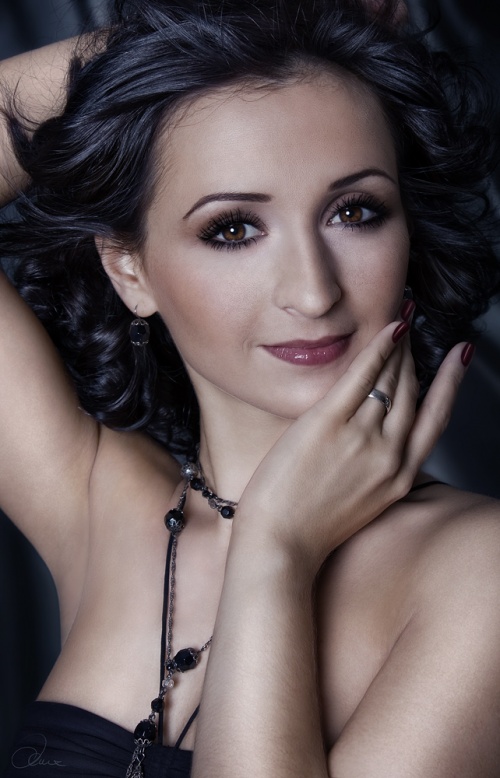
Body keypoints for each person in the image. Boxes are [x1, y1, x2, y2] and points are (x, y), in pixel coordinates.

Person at [1, 0, 499, 775]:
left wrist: (276, 549)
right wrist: (227, 27)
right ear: (130, 269)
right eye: (233, 228)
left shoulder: (479, 573)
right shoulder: (97, 503)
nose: (313, 291)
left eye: (356, 211)